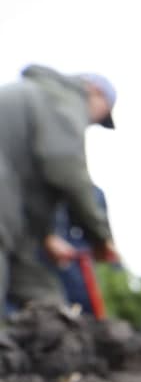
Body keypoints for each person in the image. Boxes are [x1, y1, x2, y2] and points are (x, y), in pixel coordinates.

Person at [0, 65, 119, 312]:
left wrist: (45, 235)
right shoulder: (65, 101)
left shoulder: (43, 99)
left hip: (12, 213)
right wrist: (100, 237)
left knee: (44, 296)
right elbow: (66, 169)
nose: (93, 123)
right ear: (95, 92)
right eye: (101, 115)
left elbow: (30, 186)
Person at [36, 185, 109, 313]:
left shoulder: (96, 193)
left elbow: (102, 246)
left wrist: (103, 240)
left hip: (80, 270)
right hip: (45, 264)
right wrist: (46, 235)